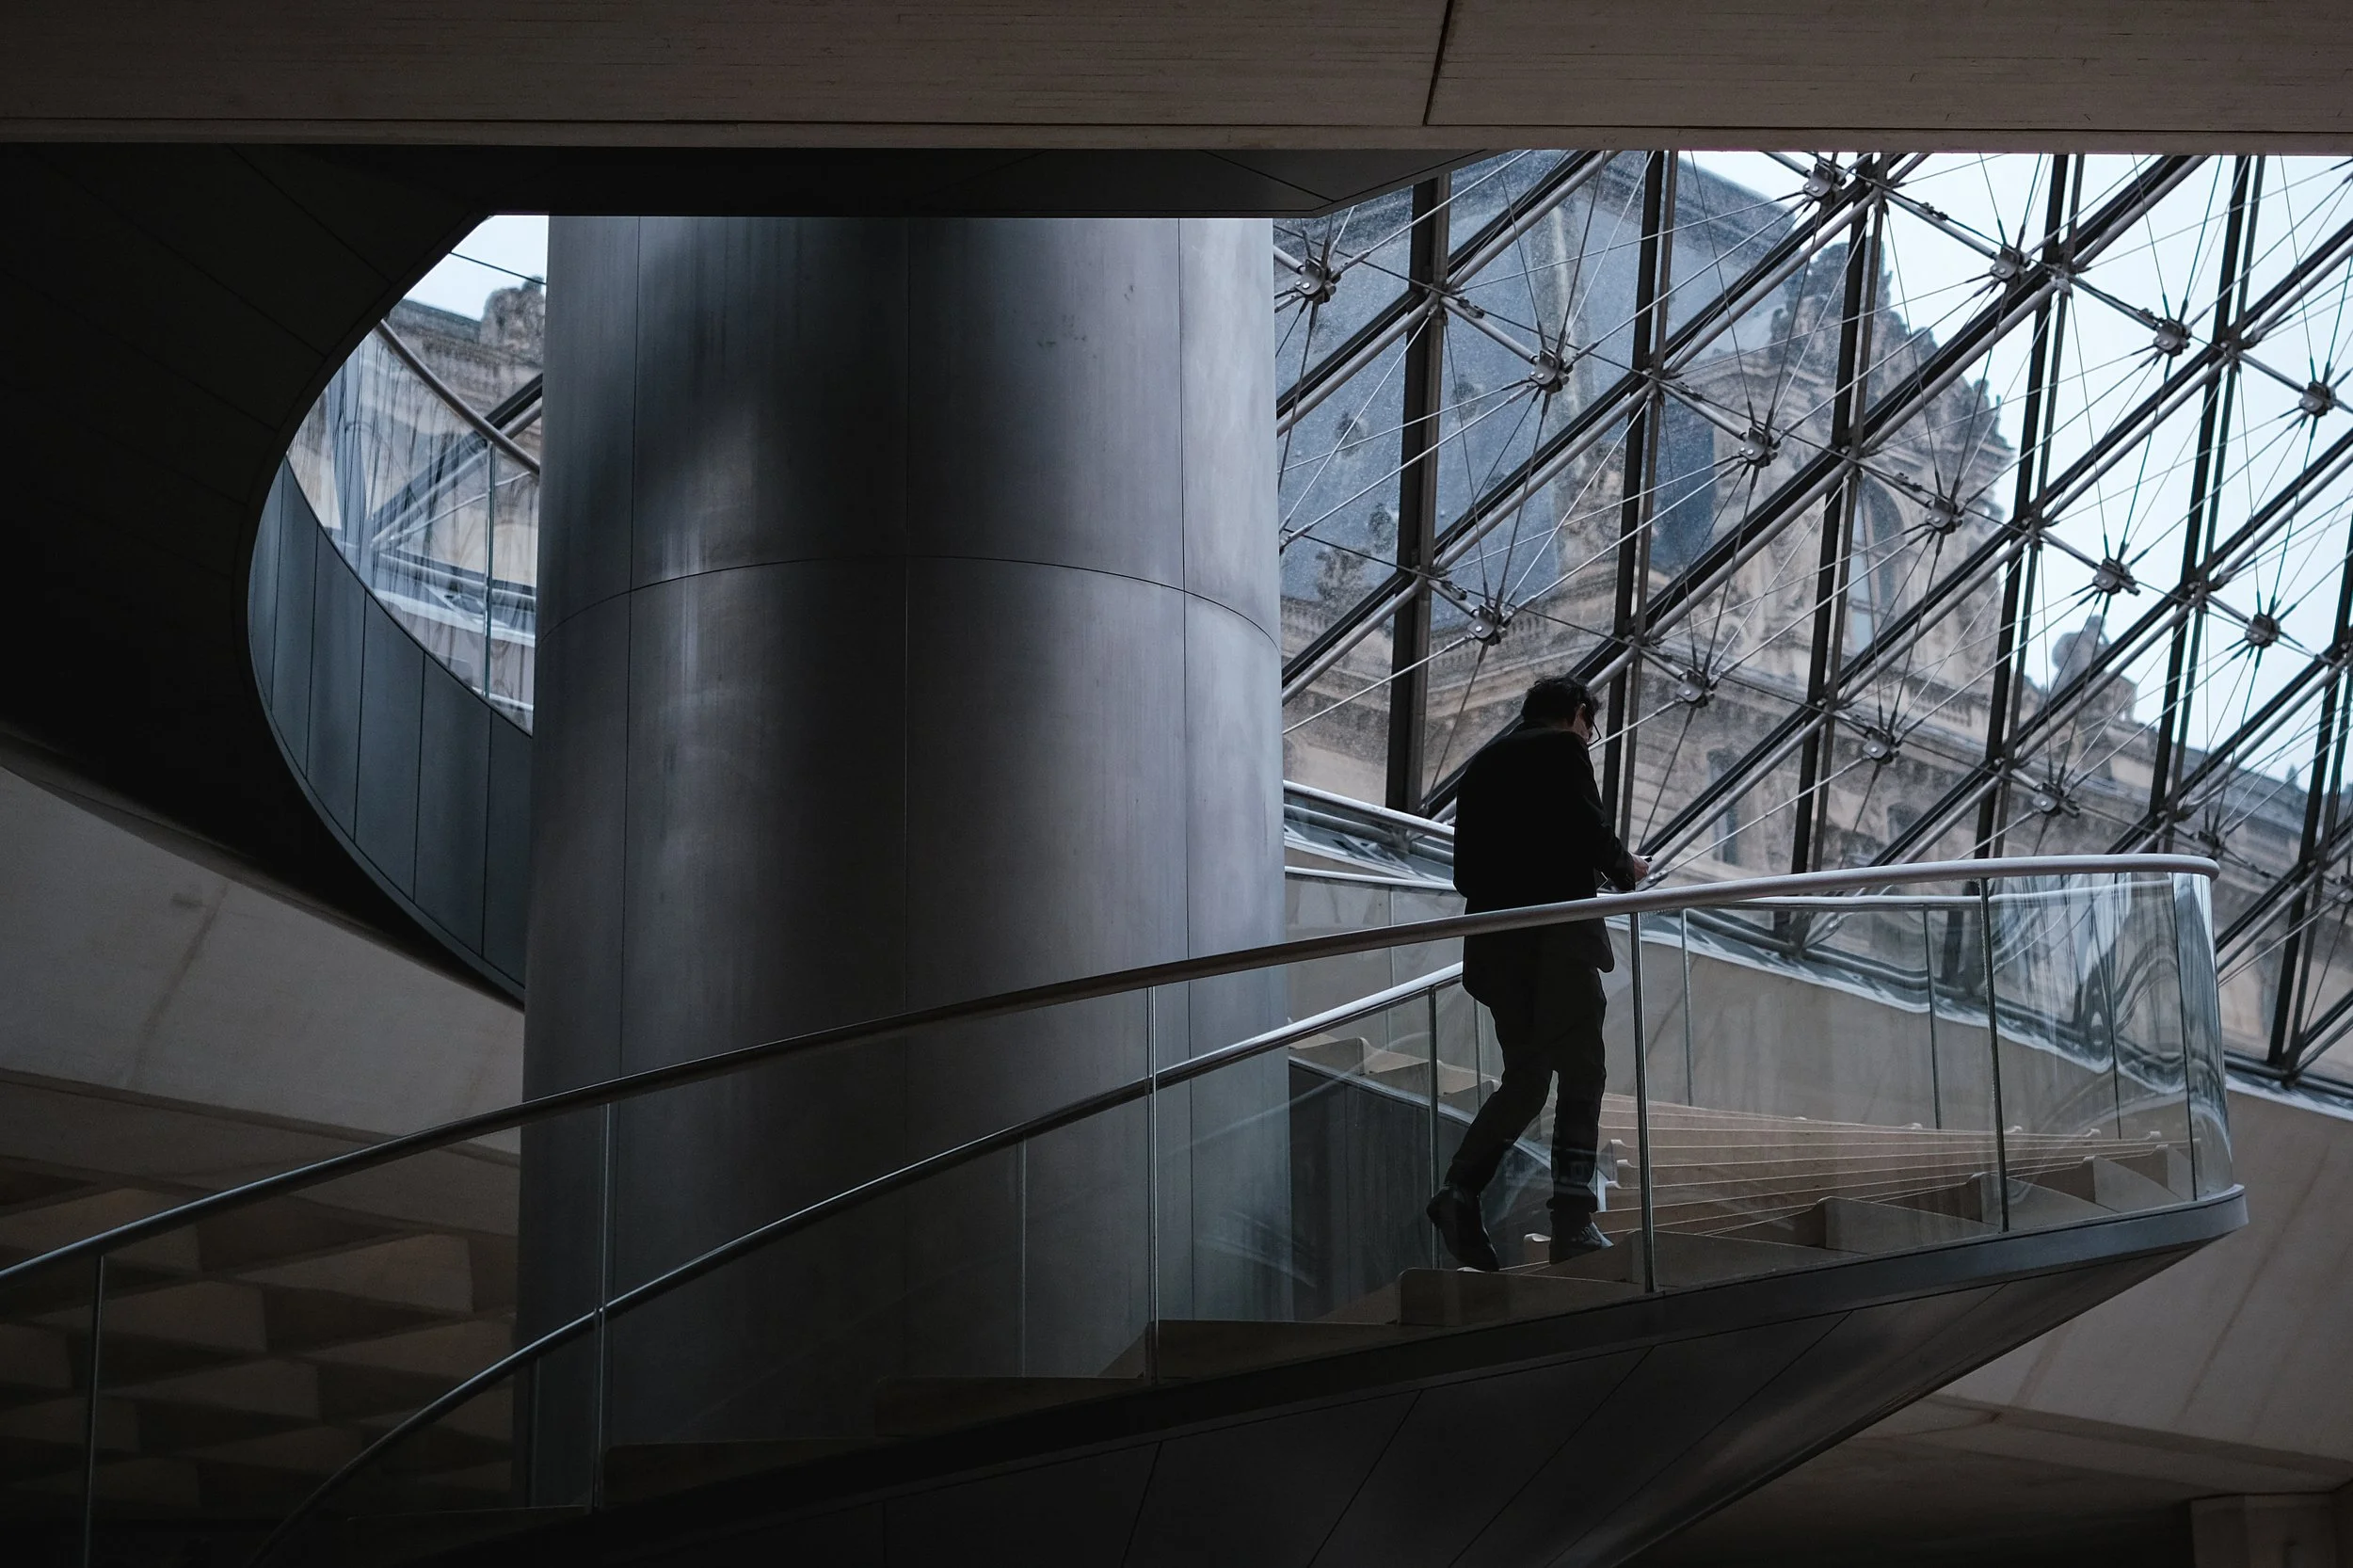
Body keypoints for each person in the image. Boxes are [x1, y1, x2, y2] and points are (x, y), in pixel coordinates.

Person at [1427, 675, 1648, 1271]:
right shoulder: (1561, 750)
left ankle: (1460, 1189)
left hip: (1497, 952)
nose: (1590, 736)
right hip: (1558, 951)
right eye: (1591, 726)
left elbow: (1470, 871)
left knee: (1526, 1080)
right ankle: (1573, 1221)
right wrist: (1626, 866)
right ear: (1578, 714)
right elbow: (1587, 831)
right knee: (1583, 1077)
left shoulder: (1485, 764)